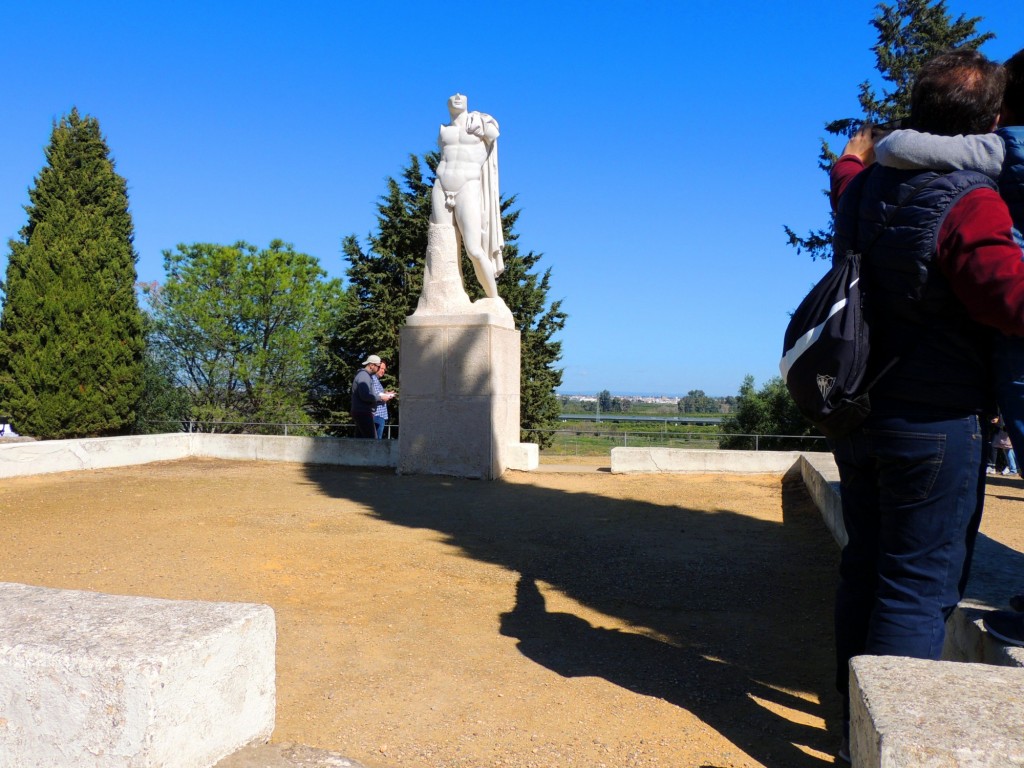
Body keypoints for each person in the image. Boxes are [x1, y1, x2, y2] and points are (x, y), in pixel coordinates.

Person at [827, 49, 1024, 763]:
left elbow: (844, 174)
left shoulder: (864, 187)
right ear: (994, 121)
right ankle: (883, 746)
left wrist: (851, 155)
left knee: (864, 568)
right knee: (915, 590)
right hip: (936, 425)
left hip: (860, 413)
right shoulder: (973, 197)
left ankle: (848, 724)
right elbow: (1004, 296)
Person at [431, 93, 504, 299]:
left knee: (473, 249)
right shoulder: (443, 130)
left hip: (468, 184)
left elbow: (494, 134)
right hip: (441, 184)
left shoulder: (480, 122)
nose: (457, 96)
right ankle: (445, 298)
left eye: (461, 96)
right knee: (442, 244)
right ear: (447, 104)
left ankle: (494, 299)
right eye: (452, 97)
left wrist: (481, 120)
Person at [351, 355, 394, 439]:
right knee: (371, 442)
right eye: (378, 366)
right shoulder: (364, 376)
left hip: (362, 412)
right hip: (363, 412)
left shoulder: (365, 376)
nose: (379, 369)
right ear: (371, 365)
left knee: (360, 441)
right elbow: (365, 396)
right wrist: (381, 397)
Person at [371, 359, 390, 439]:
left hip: (379, 415)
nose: (383, 371)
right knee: (377, 441)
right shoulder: (373, 379)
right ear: (377, 367)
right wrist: (385, 396)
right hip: (377, 415)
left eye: (384, 369)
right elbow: (374, 394)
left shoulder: (377, 380)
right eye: (381, 368)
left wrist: (387, 394)